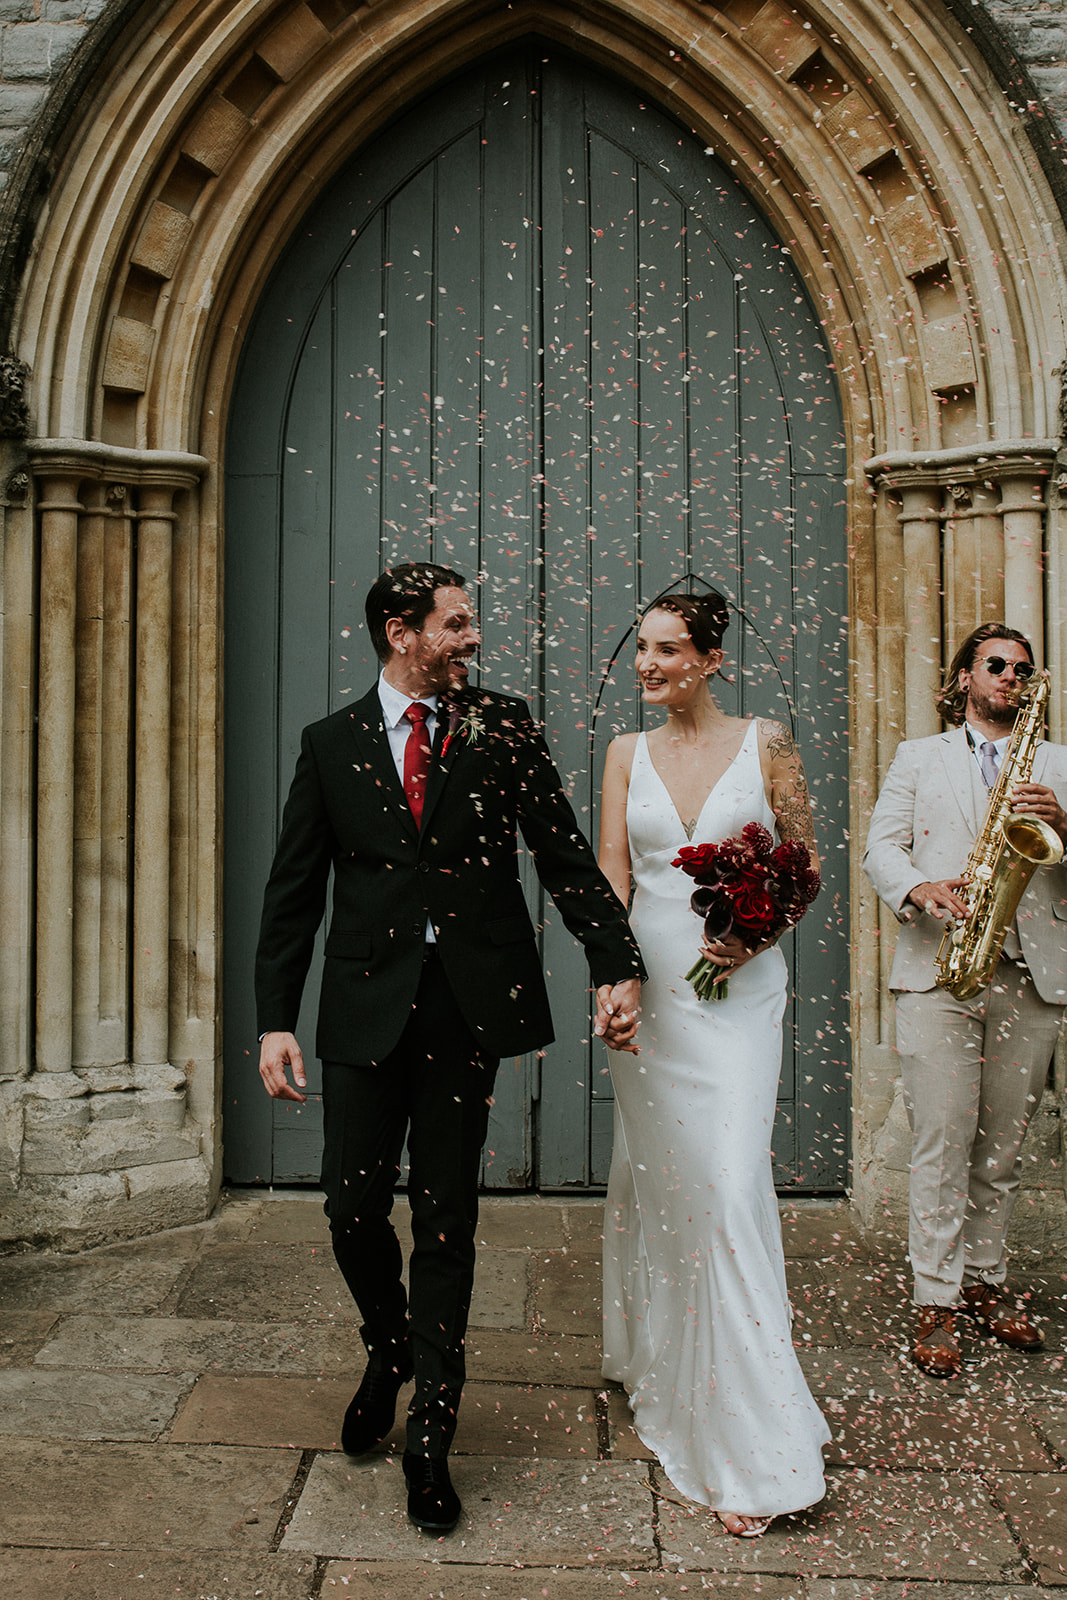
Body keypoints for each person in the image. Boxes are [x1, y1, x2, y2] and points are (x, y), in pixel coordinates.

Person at [255, 562, 644, 1534]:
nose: (472, 638)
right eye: (456, 623)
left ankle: (430, 1428)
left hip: (465, 1008)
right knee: (350, 1207)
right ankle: (388, 1346)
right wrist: (273, 1019)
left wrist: (614, 959)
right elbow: (294, 893)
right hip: (360, 1009)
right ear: (401, 631)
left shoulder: (500, 724)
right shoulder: (331, 744)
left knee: (445, 1217)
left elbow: (559, 850)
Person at [597, 591, 829, 1538]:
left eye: (666, 650)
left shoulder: (766, 741)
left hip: (740, 993)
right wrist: (612, 978)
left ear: (711, 658)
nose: (647, 666)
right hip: (652, 989)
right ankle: (657, 1359)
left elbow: (804, 861)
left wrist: (756, 927)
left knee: (727, 1185)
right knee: (664, 1181)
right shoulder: (623, 754)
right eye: (642, 650)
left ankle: (749, 1444)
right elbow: (614, 874)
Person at [863, 621, 1067, 1378]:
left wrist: (1062, 821)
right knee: (940, 1143)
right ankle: (935, 1300)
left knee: (1001, 1149)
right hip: (939, 971)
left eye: (1022, 667)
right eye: (994, 665)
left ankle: (985, 1284)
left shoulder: (1057, 764)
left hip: (1030, 974)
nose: (1010, 676)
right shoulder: (919, 757)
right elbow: (879, 845)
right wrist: (917, 885)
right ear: (960, 679)